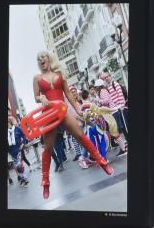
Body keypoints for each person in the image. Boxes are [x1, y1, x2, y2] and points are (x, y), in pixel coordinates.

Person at [33, 51, 112, 199]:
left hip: (63, 111)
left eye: (42, 57)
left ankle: (102, 161)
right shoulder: (37, 78)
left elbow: (69, 95)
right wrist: (41, 97)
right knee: (48, 148)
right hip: (48, 114)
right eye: (38, 59)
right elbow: (36, 97)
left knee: (81, 136)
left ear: (49, 59)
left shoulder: (59, 75)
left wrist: (78, 110)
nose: (40, 60)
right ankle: (45, 182)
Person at [98, 71, 129, 156]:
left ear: (110, 76)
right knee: (122, 127)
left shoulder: (115, 84)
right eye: (105, 78)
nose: (106, 78)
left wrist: (121, 107)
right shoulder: (108, 87)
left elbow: (120, 95)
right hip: (115, 109)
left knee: (124, 127)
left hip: (120, 108)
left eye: (107, 76)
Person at [7, 115, 29, 187]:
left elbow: (24, 135)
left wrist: (23, 144)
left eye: (7, 122)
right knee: (17, 167)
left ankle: (26, 180)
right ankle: (22, 179)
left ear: (10, 122)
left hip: (18, 150)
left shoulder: (17, 129)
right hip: (11, 152)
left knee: (20, 166)